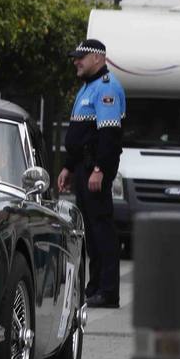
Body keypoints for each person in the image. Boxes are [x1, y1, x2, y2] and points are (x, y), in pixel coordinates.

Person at [56, 38, 125, 309]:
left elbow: (109, 136)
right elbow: (82, 135)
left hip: (94, 170)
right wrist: (68, 167)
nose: (76, 61)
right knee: (90, 232)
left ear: (97, 58)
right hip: (84, 168)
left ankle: (108, 292)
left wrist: (99, 169)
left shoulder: (106, 88)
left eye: (81, 57)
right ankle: (94, 287)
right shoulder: (89, 88)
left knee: (101, 231)